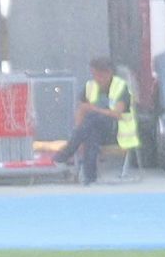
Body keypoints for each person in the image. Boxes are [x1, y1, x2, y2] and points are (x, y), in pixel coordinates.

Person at [53, 57, 135, 185]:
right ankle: (90, 177)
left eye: (98, 74)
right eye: (94, 74)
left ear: (108, 73)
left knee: (93, 117)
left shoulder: (120, 87)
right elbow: (81, 111)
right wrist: (79, 134)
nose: (95, 78)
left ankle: (65, 154)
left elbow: (117, 114)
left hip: (115, 130)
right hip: (93, 128)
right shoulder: (90, 86)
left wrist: (94, 109)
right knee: (91, 131)